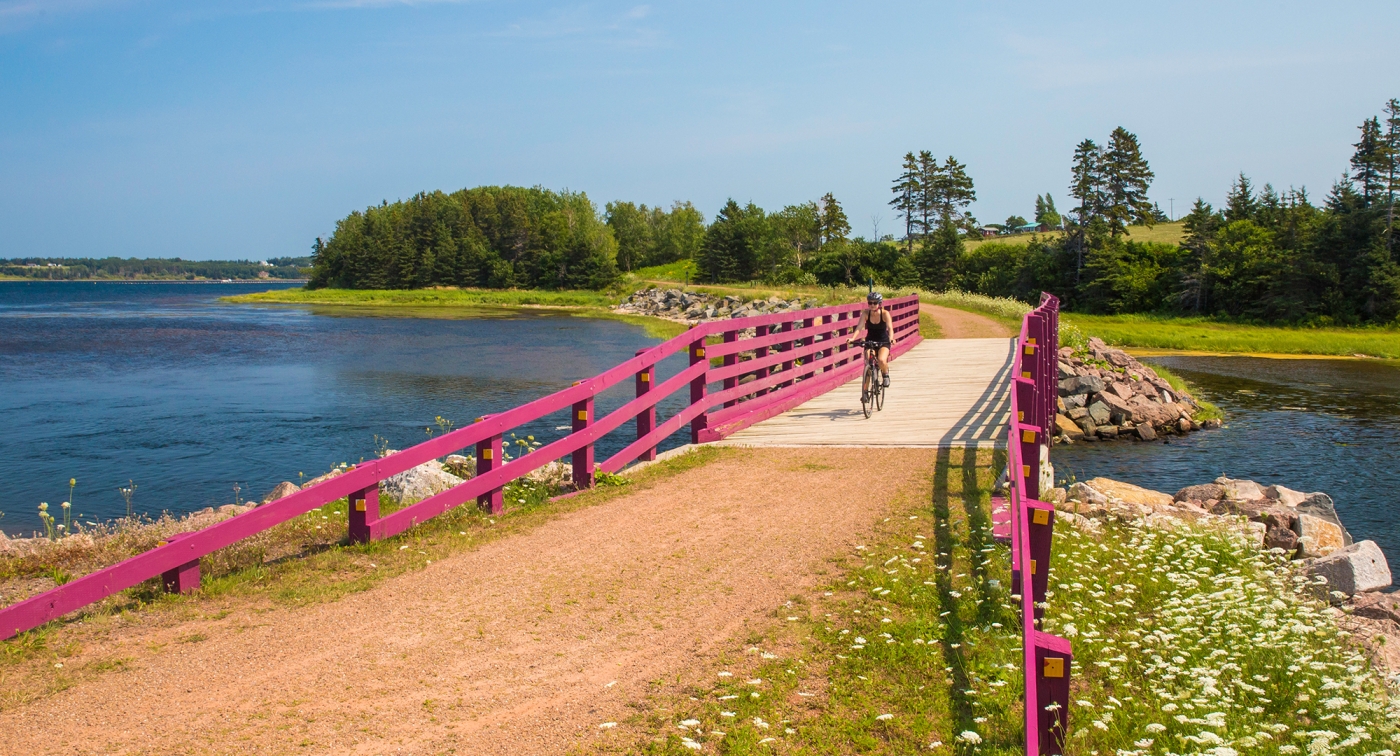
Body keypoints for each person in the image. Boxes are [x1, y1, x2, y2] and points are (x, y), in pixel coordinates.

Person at [848, 292, 895, 387]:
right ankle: (865, 391)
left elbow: (890, 328)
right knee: (868, 363)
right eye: (870, 303)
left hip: (883, 341)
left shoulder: (885, 313)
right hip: (870, 341)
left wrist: (891, 339)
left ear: (879, 303)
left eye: (875, 303)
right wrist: (853, 338)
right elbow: (859, 327)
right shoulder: (866, 313)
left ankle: (885, 375)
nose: (872, 305)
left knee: (881, 360)